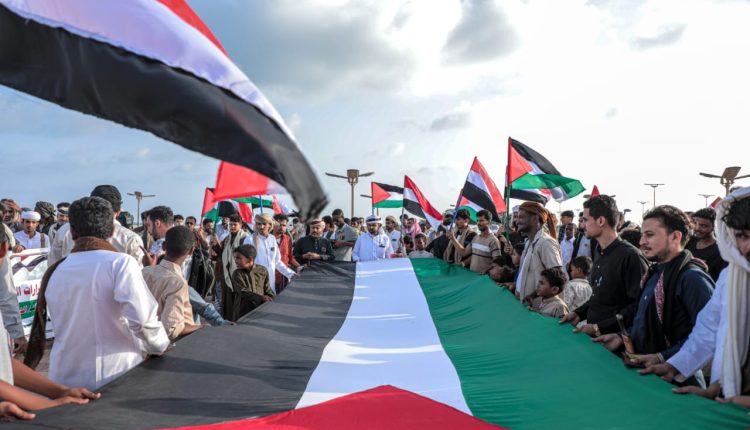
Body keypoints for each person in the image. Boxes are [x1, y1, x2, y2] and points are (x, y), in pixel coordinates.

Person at [24, 196, 169, 390]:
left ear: (72, 231)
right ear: (112, 230)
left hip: (64, 380)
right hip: (114, 377)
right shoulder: (121, 264)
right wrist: (160, 345)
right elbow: (143, 322)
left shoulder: (55, 270)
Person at [640, 188, 750, 405]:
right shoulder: (732, 277)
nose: (747, 246)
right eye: (742, 236)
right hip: (731, 404)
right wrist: (675, 366)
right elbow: (708, 330)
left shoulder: (692, 276)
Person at [594, 206, 714, 374]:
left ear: (675, 237)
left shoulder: (692, 278)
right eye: (642, 235)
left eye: (649, 235)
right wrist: (621, 338)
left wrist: (662, 358)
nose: (641, 242)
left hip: (676, 377)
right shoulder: (653, 273)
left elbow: (710, 335)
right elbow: (643, 323)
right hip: (647, 371)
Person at [560, 195, 648, 336]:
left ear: (601, 221)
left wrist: (600, 328)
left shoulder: (631, 257)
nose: (582, 226)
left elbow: (639, 306)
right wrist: (579, 313)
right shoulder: (599, 251)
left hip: (615, 342)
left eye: (585, 220)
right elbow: (600, 297)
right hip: (594, 339)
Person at [48, 185, 145, 266]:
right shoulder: (131, 239)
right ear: (119, 211)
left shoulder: (64, 231)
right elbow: (139, 276)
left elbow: (52, 267)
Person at [142, 226, 202, 340]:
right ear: (191, 251)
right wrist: (200, 327)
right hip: (165, 344)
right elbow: (170, 329)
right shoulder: (177, 283)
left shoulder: (145, 271)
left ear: (164, 246)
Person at [514, 202, 562, 302]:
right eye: (517, 217)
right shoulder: (528, 243)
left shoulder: (546, 243)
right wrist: (515, 285)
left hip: (539, 307)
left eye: (521, 217)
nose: (517, 221)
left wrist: (533, 296)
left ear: (535, 219)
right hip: (524, 304)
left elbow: (557, 278)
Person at [243, 213, 295, 294]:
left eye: (264, 224)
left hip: (271, 283)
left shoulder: (272, 239)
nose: (261, 227)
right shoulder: (249, 240)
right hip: (255, 283)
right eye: (259, 224)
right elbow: (245, 263)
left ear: (270, 225)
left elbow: (277, 262)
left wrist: (292, 274)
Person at [228, 244, 274, 321]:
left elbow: (267, 289)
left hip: (260, 310)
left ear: (250, 259)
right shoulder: (237, 273)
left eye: (238, 258)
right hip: (243, 312)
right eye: (235, 258)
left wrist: (271, 298)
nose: (235, 261)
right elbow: (243, 291)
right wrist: (261, 298)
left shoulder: (263, 270)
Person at [215, 214, 248, 319]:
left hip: (240, 275)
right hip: (227, 274)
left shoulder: (245, 238)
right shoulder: (227, 238)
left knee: (240, 302)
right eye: (231, 224)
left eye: (235, 224)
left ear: (241, 225)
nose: (232, 227)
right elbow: (221, 254)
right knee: (228, 302)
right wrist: (215, 244)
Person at [448, 209, 502, 274]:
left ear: (489, 221)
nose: (478, 223)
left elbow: (496, 263)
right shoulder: (475, 238)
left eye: (481, 220)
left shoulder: (494, 240)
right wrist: (453, 239)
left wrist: (484, 273)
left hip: (484, 278)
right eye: (477, 220)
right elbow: (463, 252)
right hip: (472, 276)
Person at [686, 207, 728, 281]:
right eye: (695, 224)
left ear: (714, 226)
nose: (697, 228)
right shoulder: (689, 242)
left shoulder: (721, 250)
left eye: (703, 226)